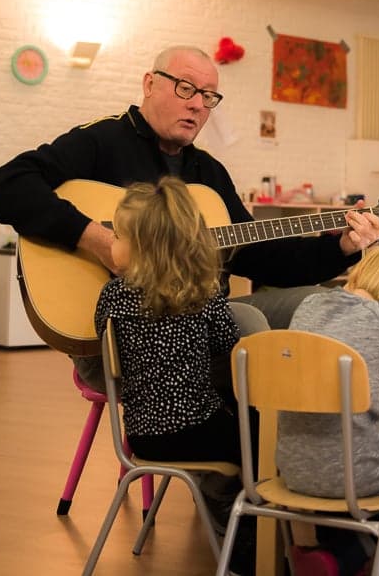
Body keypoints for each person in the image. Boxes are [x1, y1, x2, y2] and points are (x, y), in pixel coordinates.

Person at [0, 45, 379, 391]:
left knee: (327, 303)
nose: (197, 104)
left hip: (204, 324)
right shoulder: (100, 142)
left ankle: (305, 451)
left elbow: (262, 256)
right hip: (117, 341)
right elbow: (7, 185)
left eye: (209, 97)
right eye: (186, 88)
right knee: (250, 331)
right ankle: (237, 469)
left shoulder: (208, 173)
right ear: (149, 84)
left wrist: (343, 246)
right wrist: (102, 242)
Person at [93, 177, 254, 575]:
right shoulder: (201, 291)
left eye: (118, 235)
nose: (110, 242)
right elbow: (230, 343)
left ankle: (224, 507)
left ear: (144, 246)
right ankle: (250, 552)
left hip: (142, 435)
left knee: (239, 435)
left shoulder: (112, 297)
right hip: (195, 429)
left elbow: (102, 335)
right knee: (262, 433)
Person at [278, 241, 379, 576]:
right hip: (359, 474)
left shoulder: (309, 305)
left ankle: (328, 553)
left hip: (290, 470)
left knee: (343, 454)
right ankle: (349, 556)